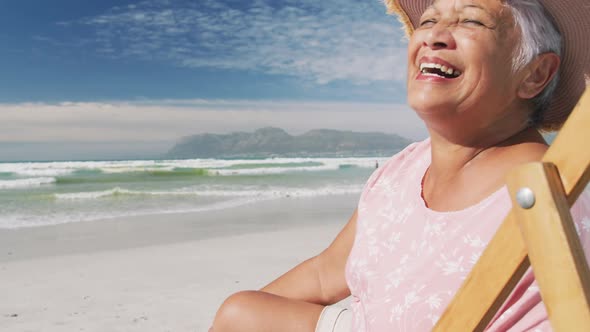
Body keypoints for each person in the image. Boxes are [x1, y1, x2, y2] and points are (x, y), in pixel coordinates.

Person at [210, 0, 590, 331]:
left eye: (471, 21)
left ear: (535, 74)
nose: (434, 36)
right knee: (239, 314)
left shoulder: (552, 201)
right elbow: (327, 273)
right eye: (428, 21)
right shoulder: (403, 170)